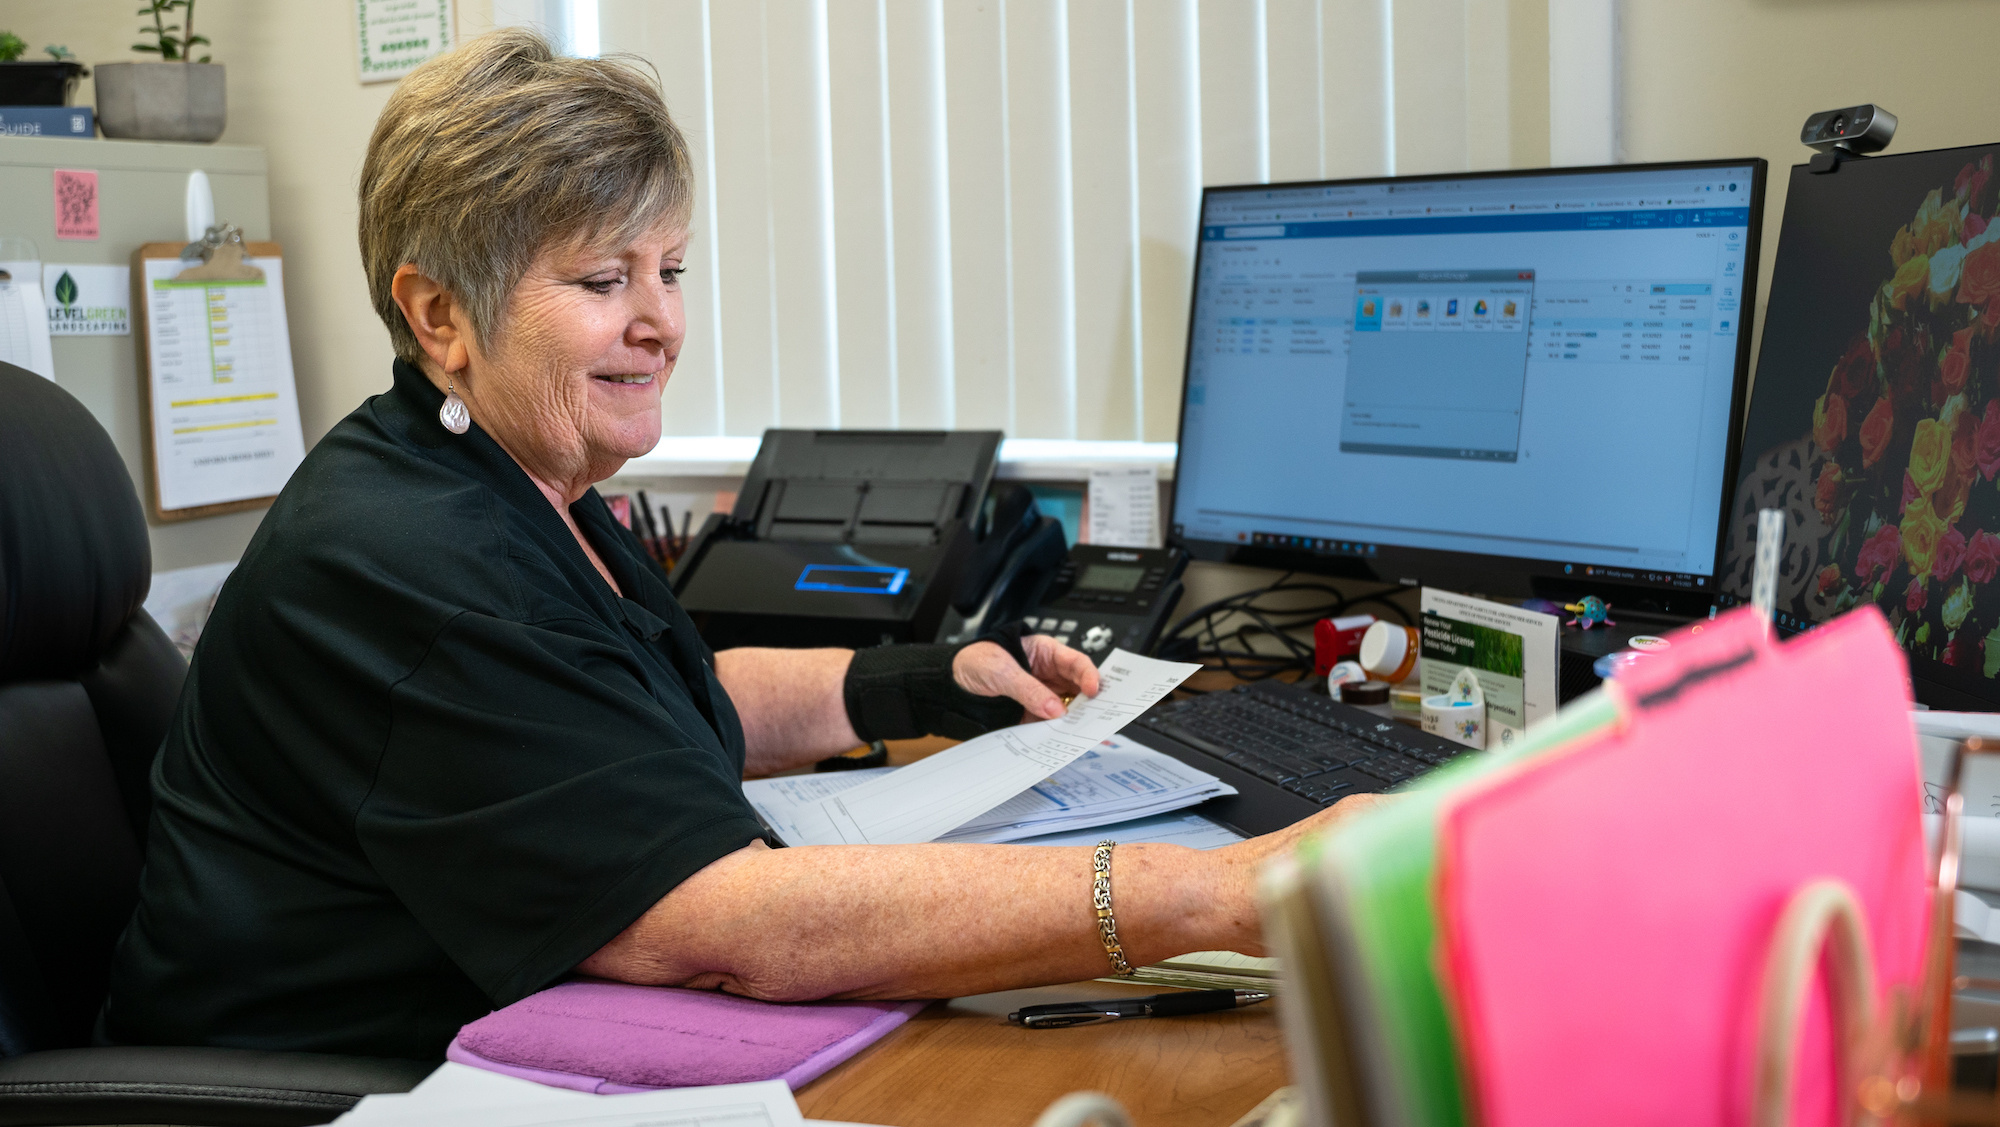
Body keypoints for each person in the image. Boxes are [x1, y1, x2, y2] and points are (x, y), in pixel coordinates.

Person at [100, 29, 1383, 1060]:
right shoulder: (407, 560)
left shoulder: (510, 475)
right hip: (343, 1086)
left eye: (672, 268)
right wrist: (1228, 893)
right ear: (440, 313)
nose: (660, 321)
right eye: (604, 281)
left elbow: (646, 703)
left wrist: (921, 680)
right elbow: (719, 926)